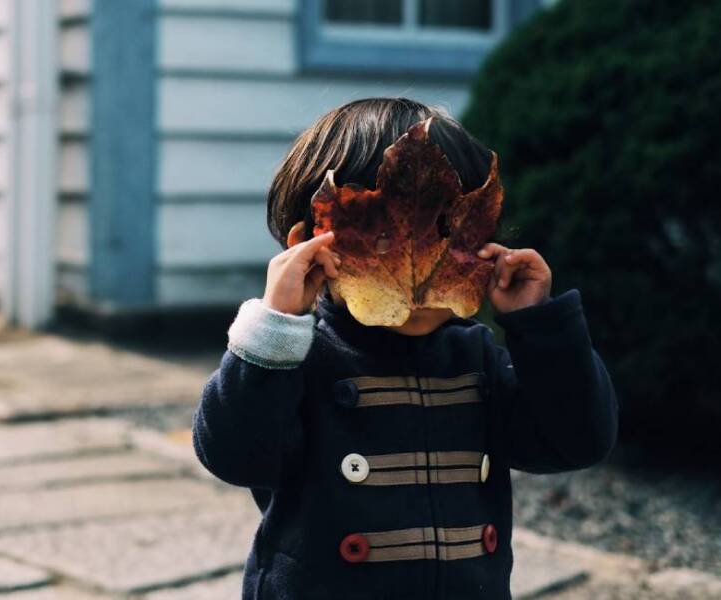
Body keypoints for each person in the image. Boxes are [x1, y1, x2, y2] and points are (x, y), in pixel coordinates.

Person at [192, 97, 619, 599]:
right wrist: (275, 326)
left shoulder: (478, 358)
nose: (418, 259)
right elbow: (234, 455)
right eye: (379, 239)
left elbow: (577, 440)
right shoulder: (298, 359)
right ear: (309, 246)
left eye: (446, 231)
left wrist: (539, 325)